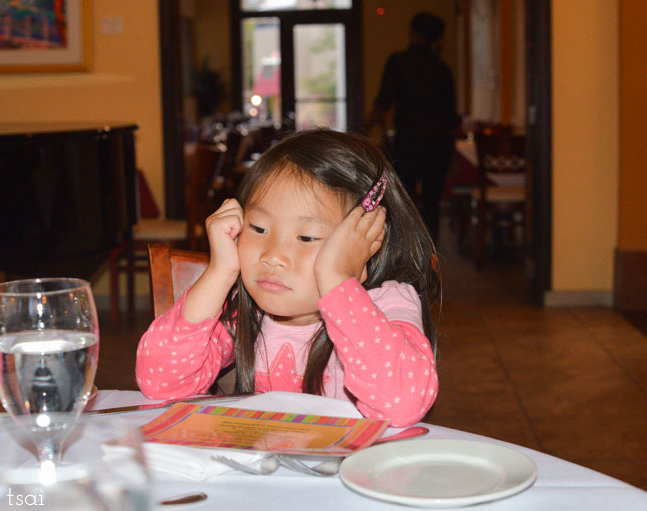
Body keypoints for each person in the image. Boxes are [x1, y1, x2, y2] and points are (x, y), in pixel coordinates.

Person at [135, 129, 440, 426]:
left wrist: (337, 282)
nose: (272, 256)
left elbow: (402, 406)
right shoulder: (246, 309)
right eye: (258, 229)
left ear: (367, 241)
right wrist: (220, 272)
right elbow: (160, 383)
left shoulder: (387, 305)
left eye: (306, 237)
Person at [365, 11, 458, 244]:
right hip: (438, 145)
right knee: (432, 203)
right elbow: (451, 116)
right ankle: (431, 253)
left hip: (409, 143)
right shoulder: (443, 69)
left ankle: (407, 251)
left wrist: (364, 130)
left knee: (404, 201)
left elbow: (383, 101)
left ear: (414, 33)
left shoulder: (398, 62)